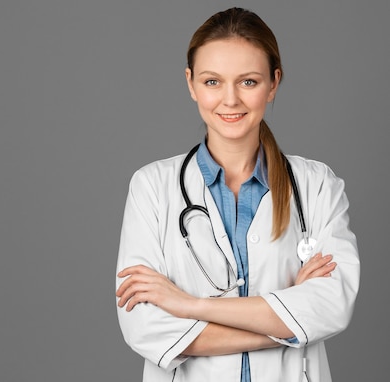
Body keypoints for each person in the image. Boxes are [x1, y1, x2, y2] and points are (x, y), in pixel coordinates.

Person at [114, 7, 359, 382]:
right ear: (191, 83)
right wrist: (288, 320)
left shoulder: (317, 185)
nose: (230, 100)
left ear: (274, 83)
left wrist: (188, 305)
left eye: (248, 81)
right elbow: (145, 327)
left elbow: (332, 307)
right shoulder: (151, 187)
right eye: (213, 82)